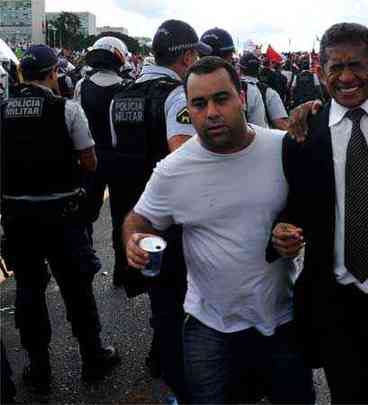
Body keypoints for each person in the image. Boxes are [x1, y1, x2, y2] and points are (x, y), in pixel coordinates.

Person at [123, 56, 315, 404]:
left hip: (281, 319)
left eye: (221, 98)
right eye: (198, 103)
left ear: (241, 97)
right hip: (210, 326)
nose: (211, 112)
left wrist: (294, 234)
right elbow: (138, 220)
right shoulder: (174, 170)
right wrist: (133, 240)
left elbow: (313, 208)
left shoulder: (281, 148)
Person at [272, 22, 368, 403]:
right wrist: (280, 232)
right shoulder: (303, 137)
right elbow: (293, 209)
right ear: (320, 72)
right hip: (338, 302)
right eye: (335, 68)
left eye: (357, 66)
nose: (347, 78)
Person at [0, 45, 120, 394]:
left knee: (28, 290)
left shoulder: (3, 110)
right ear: (53, 73)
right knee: (77, 287)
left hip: (18, 217)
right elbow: (89, 162)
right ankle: (92, 356)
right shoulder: (67, 109)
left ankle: (38, 368)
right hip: (62, 216)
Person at [110, 19, 211, 401]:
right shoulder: (175, 94)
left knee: (161, 298)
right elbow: (184, 153)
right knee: (183, 303)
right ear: (187, 56)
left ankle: (165, 363)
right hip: (173, 218)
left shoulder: (123, 94)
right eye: (196, 56)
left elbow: (119, 153)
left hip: (137, 214)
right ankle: (188, 386)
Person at [74, 36, 132, 286]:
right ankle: (121, 271)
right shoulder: (127, 87)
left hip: (90, 157)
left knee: (85, 215)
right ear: (119, 57)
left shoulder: (82, 85)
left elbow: (78, 124)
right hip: (118, 158)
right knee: (121, 217)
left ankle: (83, 263)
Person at [239, 52, 289, 130]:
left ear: (240, 69)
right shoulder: (269, 92)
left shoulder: (229, 87)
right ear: (259, 70)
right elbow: (280, 123)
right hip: (261, 139)